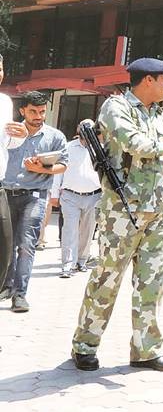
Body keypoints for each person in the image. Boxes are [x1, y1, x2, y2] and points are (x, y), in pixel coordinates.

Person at [71, 58, 163, 372]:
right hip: (121, 211)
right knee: (107, 278)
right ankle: (84, 346)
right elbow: (133, 142)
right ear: (148, 80)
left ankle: (146, 351)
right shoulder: (116, 107)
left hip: (157, 210)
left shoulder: (161, 115)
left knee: (152, 282)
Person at [2, 91, 68, 313]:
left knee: (26, 245)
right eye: (33, 111)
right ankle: (6, 286)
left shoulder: (55, 136)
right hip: (6, 194)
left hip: (35, 196)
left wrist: (41, 169)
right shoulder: (9, 132)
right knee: (6, 245)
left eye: (42, 111)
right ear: (22, 111)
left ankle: (20, 295)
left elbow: (63, 165)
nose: (38, 116)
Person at [51, 121, 102, 278]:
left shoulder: (101, 148)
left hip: (94, 196)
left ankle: (81, 261)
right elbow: (58, 172)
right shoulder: (68, 147)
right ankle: (67, 265)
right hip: (70, 196)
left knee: (88, 231)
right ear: (78, 129)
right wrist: (54, 194)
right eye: (82, 127)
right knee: (69, 230)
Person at [0, 52, 27, 327]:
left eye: (0, 68)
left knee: (5, 248)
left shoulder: (5, 102)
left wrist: (20, 137)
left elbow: (7, 143)